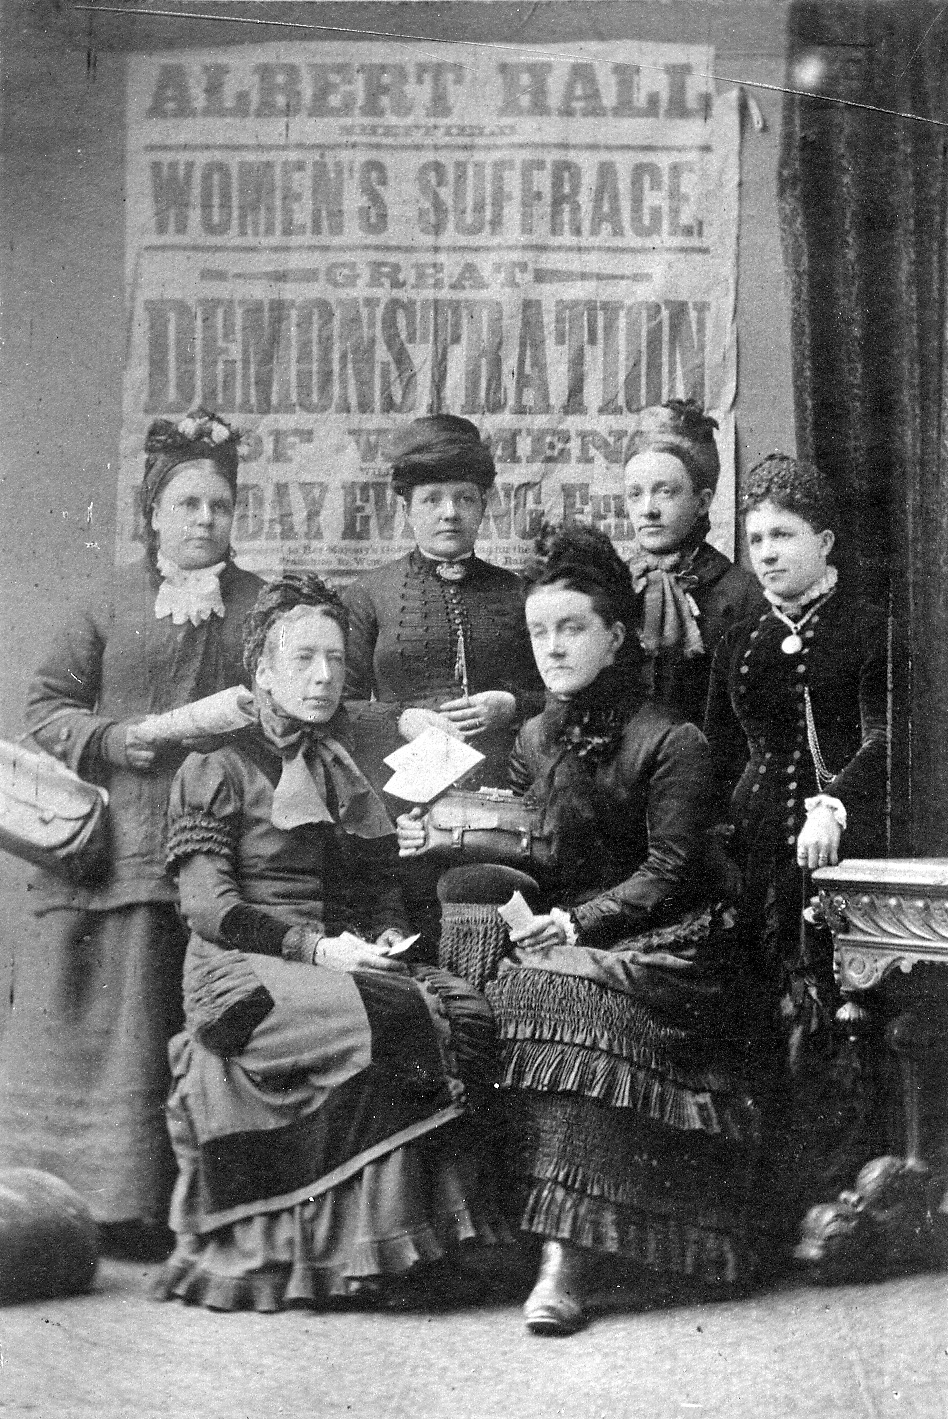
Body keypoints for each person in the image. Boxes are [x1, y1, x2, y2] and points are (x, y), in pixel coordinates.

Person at [398, 525, 759, 1336]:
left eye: (571, 628)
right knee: (480, 970)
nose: (553, 648)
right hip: (569, 930)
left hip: (673, 941)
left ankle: (568, 1254)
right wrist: (458, 843)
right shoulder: (534, 736)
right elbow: (543, 846)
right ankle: (491, 1229)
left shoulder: (673, 739)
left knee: (565, 998)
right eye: (539, 632)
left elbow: (671, 872)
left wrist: (577, 921)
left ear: (617, 634)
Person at [155, 575, 503, 1312]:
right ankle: (340, 1254)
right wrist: (319, 950)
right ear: (264, 671)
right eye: (305, 659)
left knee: (453, 1006)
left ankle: (402, 1247)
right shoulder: (213, 768)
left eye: (336, 661)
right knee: (386, 1017)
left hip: (327, 958)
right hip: (240, 966)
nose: (322, 676)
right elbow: (209, 907)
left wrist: (378, 935)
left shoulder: (339, 763)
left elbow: (370, 888)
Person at [0, 409, 263, 1256]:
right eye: (187, 503)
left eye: (219, 506)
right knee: (90, 1016)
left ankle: (151, 1207)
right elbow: (46, 703)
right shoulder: (109, 598)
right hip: (105, 840)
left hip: (211, 839)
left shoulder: (260, 604)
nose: (203, 521)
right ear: (153, 511)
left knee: (162, 1022)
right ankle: (52, 1204)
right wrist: (116, 739)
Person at [703, 453, 888, 1227]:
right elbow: (715, 754)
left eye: (784, 534)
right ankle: (771, 1206)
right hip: (756, 854)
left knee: (834, 1015)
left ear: (826, 541)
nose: (768, 552)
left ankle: (841, 1190)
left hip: (841, 851)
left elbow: (891, 739)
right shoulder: (740, 637)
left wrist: (835, 805)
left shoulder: (868, 626)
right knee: (756, 1014)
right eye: (755, 539)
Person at [341, 413, 543, 785]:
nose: (449, 514)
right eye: (432, 499)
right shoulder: (368, 593)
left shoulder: (520, 591)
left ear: (483, 506)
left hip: (507, 783)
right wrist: (402, 720)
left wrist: (512, 705)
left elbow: (556, 691)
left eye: (464, 498)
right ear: (407, 511)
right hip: (397, 782)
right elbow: (338, 704)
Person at [624, 399, 763, 726]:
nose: (648, 509)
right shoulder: (614, 585)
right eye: (635, 494)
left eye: (665, 492)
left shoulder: (745, 596)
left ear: (702, 502)